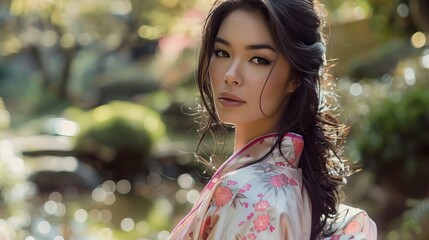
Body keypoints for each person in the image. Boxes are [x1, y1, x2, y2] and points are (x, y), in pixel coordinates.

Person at [168, 0, 377, 239]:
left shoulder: (246, 196)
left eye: (259, 59)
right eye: (222, 53)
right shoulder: (294, 187)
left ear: (295, 78)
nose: (230, 75)